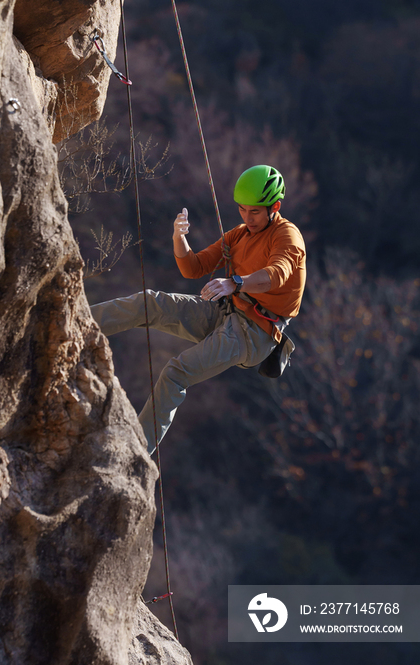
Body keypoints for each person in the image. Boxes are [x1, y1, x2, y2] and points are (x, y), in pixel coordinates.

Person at [90, 165, 306, 455]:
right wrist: (179, 239)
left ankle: (135, 452)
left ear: (274, 207)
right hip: (225, 312)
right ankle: (79, 322)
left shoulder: (287, 236)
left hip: (255, 333)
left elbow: (275, 274)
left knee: (175, 372)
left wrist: (235, 282)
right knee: (150, 302)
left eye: (254, 212)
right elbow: (194, 268)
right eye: (242, 210)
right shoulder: (239, 236)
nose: (247, 218)